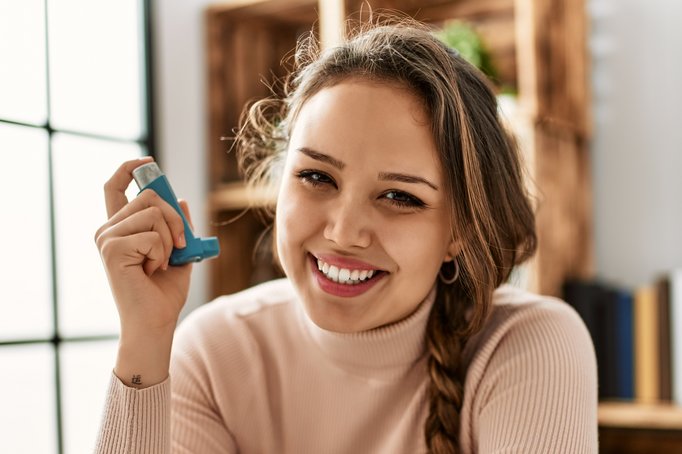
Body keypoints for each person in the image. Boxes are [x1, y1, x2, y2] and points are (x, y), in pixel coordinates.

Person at [94, 18, 598, 454]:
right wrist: (146, 338)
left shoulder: (528, 344)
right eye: (317, 177)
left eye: (400, 197)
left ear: (460, 232)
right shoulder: (215, 350)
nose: (343, 232)